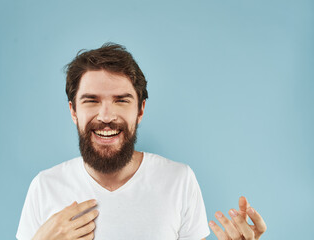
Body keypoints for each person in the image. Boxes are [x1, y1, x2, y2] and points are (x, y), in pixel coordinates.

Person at [16, 43, 267, 240]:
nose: (105, 116)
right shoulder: (44, 187)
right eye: (91, 100)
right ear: (73, 111)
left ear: (140, 110)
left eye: (121, 100)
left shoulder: (179, 180)